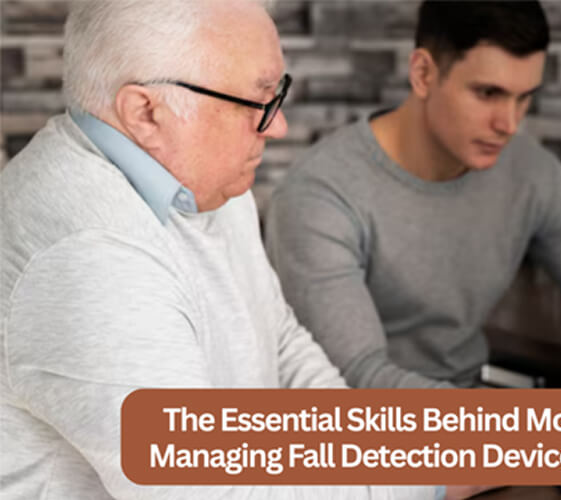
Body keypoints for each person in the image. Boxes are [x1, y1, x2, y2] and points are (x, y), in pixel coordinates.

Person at [0, 1, 473, 498]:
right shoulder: (86, 256)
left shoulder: (207, 182)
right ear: (145, 112)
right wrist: (432, 477)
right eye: (258, 99)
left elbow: (279, 344)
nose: (278, 126)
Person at [265, 0, 561, 390]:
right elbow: (357, 378)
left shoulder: (528, 171)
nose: (509, 123)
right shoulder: (321, 194)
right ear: (423, 73)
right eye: (488, 94)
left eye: (523, 99)